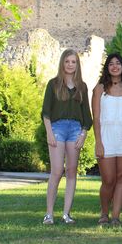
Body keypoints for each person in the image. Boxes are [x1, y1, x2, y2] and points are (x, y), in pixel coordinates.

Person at [41, 49, 92, 225]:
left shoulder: (82, 87)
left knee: (71, 171)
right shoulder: (53, 84)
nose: (70, 65)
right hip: (57, 128)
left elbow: (87, 116)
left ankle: (66, 214)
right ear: (62, 63)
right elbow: (46, 112)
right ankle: (49, 214)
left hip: (75, 130)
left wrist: (83, 134)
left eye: (74, 62)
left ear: (77, 65)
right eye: (67, 61)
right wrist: (49, 133)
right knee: (56, 171)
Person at [92, 53, 122, 226]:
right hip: (106, 137)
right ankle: (104, 212)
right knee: (108, 179)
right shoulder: (99, 89)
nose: (115, 66)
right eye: (111, 64)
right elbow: (95, 118)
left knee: (121, 176)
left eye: (118, 63)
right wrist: (98, 142)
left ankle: (116, 215)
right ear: (107, 68)